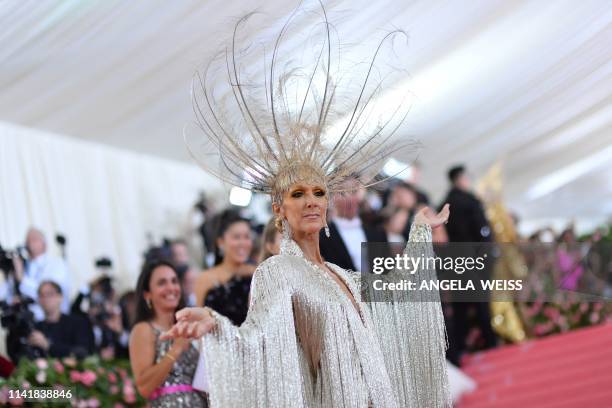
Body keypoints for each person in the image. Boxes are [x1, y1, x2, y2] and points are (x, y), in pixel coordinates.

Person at [163, 8, 450, 406]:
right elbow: (258, 339)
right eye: (298, 194)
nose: (311, 201)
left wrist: (418, 234)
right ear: (279, 208)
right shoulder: (277, 272)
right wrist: (216, 324)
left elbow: (395, 300)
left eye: (318, 192)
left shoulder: (342, 276)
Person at [129, 260, 207, 407]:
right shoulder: (144, 329)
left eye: (174, 281)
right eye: (162, 283)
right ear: (147, 294)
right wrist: (176, 349)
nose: (171, 287)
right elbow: (144, 388)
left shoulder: (191, 325)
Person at [440, 165, 497, 365]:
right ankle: (490, 342)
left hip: (457, 258)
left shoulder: (447, 202)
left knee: (461, 305)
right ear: (459, 179)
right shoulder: (468, 201)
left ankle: (461, 348)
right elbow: (481, 231)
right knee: (480, 301)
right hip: (472, 257)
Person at [193, 210, 255, 326]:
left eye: (246, 237)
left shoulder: (257, 273)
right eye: (236, 237)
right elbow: (200, 323)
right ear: (221, 242)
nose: (243, 243)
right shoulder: (205, 279)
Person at [319, 177, 388, 271]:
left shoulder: (377, 233)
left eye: (354, 191)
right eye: (342, 193)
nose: (349, 198)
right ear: (332, 197)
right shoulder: (322, 237)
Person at [5, 228, 71, 320]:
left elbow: (49, 294)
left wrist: (22, 279)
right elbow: (6, 292)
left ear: (45, 244)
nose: (29, 243)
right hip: (23, 322)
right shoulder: (22, 265)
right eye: (27, 241)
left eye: (34, 239)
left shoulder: (56, 264)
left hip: (50, 323)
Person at [23, 281, 93, 359]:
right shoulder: (36, 327)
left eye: (49, 294)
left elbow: (82, 352)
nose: (45, 299)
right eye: (41, 295)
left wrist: (48, 346)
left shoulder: (77, 323)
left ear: (60, 297)